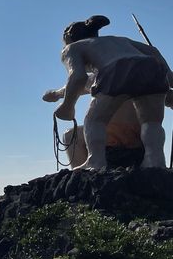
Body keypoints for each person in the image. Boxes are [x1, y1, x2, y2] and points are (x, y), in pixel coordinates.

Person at [43, 15, 173, 170]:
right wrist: (168, 78)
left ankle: (95, 161)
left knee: (93, 121)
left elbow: (78, 78)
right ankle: (154, 160)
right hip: (153, 70)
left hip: (118, 135)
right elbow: (154, 52)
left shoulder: (77, 50)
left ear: (69, 39)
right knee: (152, 122)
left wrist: (67, 106)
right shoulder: (124, 43)